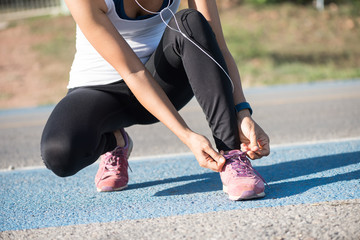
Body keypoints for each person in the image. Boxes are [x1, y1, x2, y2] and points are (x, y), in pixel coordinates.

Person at [41, 0, 270, 201]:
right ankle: (115, 141)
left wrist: (241, 112)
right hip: (99, 91)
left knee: (190, 21)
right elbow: (132, 72)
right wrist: (187, 135)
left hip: (162, 81)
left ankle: (231, 157)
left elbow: (217, 47)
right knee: (59, 154)